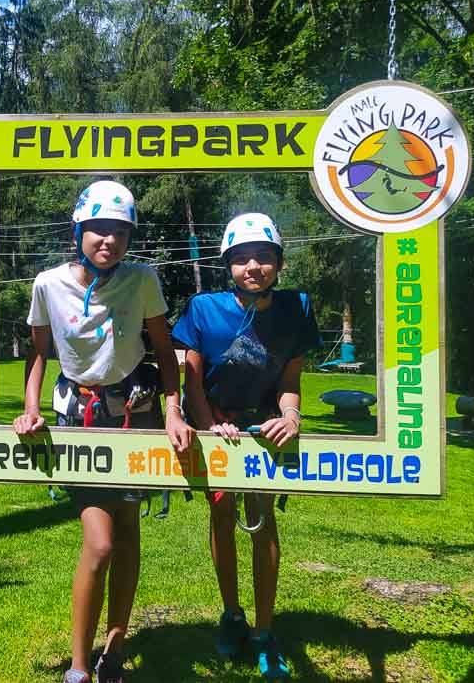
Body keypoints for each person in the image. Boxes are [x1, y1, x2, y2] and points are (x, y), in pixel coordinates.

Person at [14, 180, 195, 683]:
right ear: (78, 230)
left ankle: (114, 647)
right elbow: (38, 353)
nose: (107, 240)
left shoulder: (142, 280)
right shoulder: (48, 284)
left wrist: (174, 411)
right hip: (81, 417)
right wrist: (31, 410)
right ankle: (78, 666)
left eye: (119, 231)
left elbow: (163, 350)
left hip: (136, 412)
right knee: (100, 543)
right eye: (97, 229)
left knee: (129, 534)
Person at [171, 213, 321, 679]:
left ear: (278, 261)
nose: (253, 266)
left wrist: (291, 416)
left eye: (263, 257)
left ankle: (265, 629)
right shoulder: (203, 308)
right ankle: (232, 613)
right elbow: (190, 381)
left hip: (263, 433)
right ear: (228, 264)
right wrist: (208, 426)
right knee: (221, 516)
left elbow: (290, 381)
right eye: (241, 259)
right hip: (215, 429)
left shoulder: (297, 307)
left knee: (262, 522)